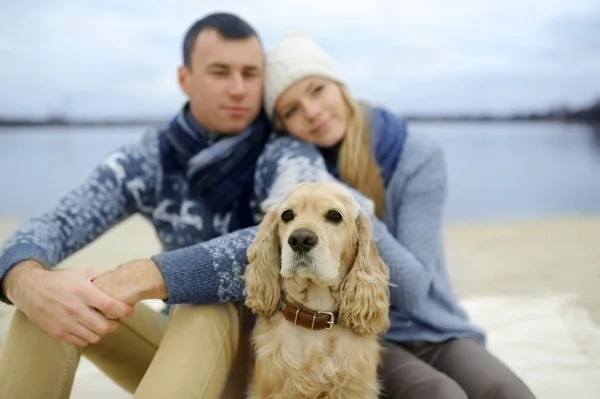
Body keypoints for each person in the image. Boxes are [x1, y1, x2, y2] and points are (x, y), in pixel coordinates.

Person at [0, 12, 270, 399]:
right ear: (184, 79)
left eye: (250, 73)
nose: (238, 88)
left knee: (207, 305)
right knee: (53, 298)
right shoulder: (150, 160)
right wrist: (26, 282)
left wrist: (148, 275)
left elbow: (289, 240)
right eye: (220, 71)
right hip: (178, 360)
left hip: (272, 365)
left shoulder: (285, 152)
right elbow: (53, 224)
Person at [253, 33, 538, 399]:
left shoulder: (418, 155)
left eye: (317, 90)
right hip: (357, 330)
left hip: (436, 326)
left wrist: (353, 207)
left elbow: (415, 290)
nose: (311, 111)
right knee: (441, 394)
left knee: (509, 392)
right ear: (284, 124)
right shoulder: (296, 175)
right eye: (291, 110)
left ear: (339, 86)